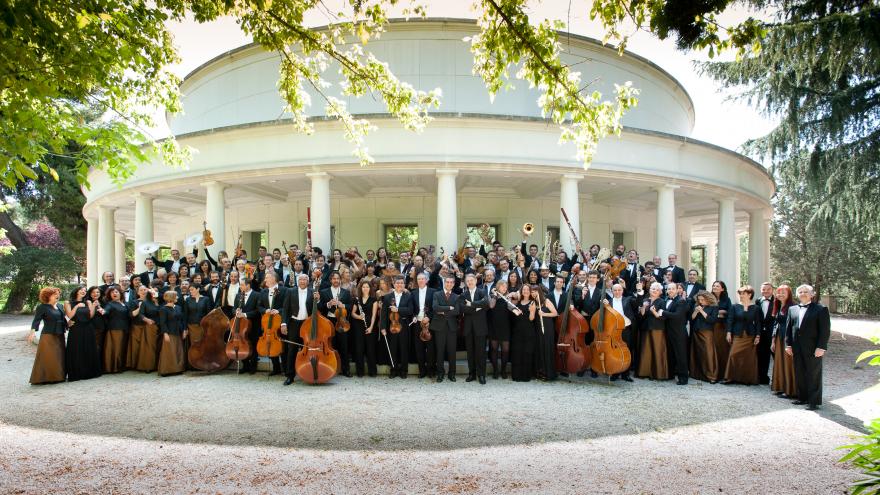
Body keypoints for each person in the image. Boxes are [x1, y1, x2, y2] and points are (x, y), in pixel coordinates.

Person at [785, 284, 830, 411]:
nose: (803, 294)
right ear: (797, 294)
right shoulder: (792, 309)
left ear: (812, 294)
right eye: (800, 292)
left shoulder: (821, 309)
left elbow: (825, 331)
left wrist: (821, 347)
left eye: (806, 291)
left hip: (813, 348)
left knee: (813, 374)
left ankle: (813, 401)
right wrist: (788, 344)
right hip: (796, 347)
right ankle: (802, 397)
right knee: (799, 372)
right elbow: (789, 328)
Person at [280, 273, 315, 385]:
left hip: (308, 323)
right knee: (292, 350)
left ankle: (308, 372)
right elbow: (285, 308)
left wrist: (317, 300)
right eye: (300, 279)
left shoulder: (313, 292)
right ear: (297, 281)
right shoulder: (290, 291)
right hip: (294, 323)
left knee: (309, 349)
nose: (302, 281)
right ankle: (290, 375)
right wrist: (283, 323)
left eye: (305, 279)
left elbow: (319, 307)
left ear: (308, 281)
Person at [723, 285, 761, 385]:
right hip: (737, 334)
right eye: (740, 293)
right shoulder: (734, 306)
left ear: (750, 295)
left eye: (743, 293)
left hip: (750, 336)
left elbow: (758, 323)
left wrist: (758, 335)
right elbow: (730, 320)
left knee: (749, 358)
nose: (741, 295)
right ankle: (730, 378)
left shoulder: (756, 308)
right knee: (733, 355)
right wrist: (728, 332)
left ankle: (747, 379)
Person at [653, 282, 689, 385]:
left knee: (681, 355)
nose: (670, 290)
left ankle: (683, 378)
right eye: (669, 289)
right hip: (668, 331)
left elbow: (677, 315)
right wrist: (657, 313)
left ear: (678, 290)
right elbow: (664, 317)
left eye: (673, 289)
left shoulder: (681, 301)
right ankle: (672, 374)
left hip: (679, 332)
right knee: (671, 354)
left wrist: (662, 312)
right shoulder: (665, 300)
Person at [29, 287, 66, 384]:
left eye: (58, 294)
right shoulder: (42, 307)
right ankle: (44, 378)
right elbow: (36, 320)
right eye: (55, 294)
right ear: (47, 296)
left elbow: (63, 319)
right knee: (48, 356)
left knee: (59, 356)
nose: (57, 296)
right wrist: (32, 332)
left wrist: (69, 324)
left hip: (60, 334)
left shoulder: (60, 306)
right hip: (48, 336)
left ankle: (58, 377)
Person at [65, 286, 102, 381]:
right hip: (76, 329)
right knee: (76, 350)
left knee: (88, 349)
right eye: (81, 290)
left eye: (85, 291)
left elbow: (90, 316)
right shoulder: (68, 302)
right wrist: (77, 306)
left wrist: (93, 306)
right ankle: (77, 373)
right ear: (76, 291)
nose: (83, 291)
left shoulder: (88, 302)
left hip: (88, 328)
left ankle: (89, 373)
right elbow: (70, 315)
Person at [320, 272, 353, 377]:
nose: (336, 280)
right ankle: (331, 368)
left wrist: (342, 305)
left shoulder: (346, 292)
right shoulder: (324, 292)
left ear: (340, 280)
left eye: (337, 278)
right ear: (330, 280)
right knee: (331, 345)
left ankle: (345, 370)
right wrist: (328, 304)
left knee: (344, 346)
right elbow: (320, 307)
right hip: (329, 321)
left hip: (342, 322)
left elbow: (350, 306)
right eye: (334, 278)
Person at [381, 276, 413, 378]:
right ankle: (393, 370)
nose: (399, 285)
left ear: (404, 285)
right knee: (393, 348)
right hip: (391, 326)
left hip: (403, 325)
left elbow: (410, 310)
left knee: (404, 349)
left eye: (401, 283)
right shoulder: (387, 297)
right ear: (394, 285)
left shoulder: (408, 296)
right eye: (397, 283)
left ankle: (404, 370)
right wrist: (382, 327)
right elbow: (384, 314)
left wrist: (398, 309)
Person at [460, 273, 489, 384]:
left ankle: (481, 374)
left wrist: (471, 304)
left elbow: (486, 303)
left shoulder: (482, 292)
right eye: (468, 281)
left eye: (472, 280)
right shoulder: (464, 294)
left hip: (480, 327)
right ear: (466, 283)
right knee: (470, 352)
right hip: (468, 328)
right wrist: (477, 307)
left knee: (481, 352)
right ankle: (471, 373)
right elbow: (462, 309)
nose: (470, 282)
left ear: (476, 281)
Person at [636, 282, 668, 380]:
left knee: (657, 350)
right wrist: (643, 309)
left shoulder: (662, 301)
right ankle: (644, 372)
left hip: (657, 329)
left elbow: (663, 317)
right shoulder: (645, 300)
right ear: (649, 290)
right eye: (653, 289)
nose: (654, 291)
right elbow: (640, 316)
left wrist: (654, 312)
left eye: (657, 289)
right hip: (645, 328)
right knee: (646, 350)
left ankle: (658, 373)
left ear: (660, 292)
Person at [770, 285, 797, 399]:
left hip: (788, 339)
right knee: (779, 363)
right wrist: (773, 341)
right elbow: (776, 324)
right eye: (779, 292)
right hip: (779, 338)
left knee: (788, 364)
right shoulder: (778, 305)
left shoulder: (793, 306)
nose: (780, 294)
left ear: (789, 294)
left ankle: (790, 390)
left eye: (783, 292)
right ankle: (780, 387)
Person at [257, 273, 286, 376]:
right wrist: (265, 310)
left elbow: (288, 306)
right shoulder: (264, 291)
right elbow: (259, 306)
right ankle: (276, 368)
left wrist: (278, 311)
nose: (265, 280)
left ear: (274, 279)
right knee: (270, 343)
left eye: (267, 278)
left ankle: (286, 369)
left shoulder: (284, 290)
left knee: (283, 346)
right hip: (268, 323)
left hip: (281, 322)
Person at [432, 275, 460, 382]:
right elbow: (435, 307)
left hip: (452, 327)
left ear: (453, 284)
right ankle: (440, 373)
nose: (449, 284)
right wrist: (449, 308)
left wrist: (442, 311)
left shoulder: (456, 296)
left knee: (452, 351)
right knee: (440, 351)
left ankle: (452, 373)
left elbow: (457, 311)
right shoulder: (436, 294)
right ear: (444, 282)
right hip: (439, 327)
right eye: (447, 282)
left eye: (451, 282)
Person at [688, 290, 719, 383]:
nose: (701, 301)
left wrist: (701, 311)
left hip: (706, 332)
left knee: (708, 354)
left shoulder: (714, 307)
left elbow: (712, 320)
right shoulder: (696, 306)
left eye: (702, 299)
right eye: (699, 299)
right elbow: (691, 319)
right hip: (696, 331)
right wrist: (696, 312)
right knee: (696, 353)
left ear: (708, 299)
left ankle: (711, 375)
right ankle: (697, 374)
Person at [409, 272, 435, 379]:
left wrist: (429, 317)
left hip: (429, 323)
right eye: (418, 279)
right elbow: (411, 308)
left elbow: (435, 308)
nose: (420, 281)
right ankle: (422, 371)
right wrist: (413, 316)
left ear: (427, 280)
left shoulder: (433, 292)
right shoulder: (413, 292)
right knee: (419, 348)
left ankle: (431, 370)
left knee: (430, 348)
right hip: (417, 323)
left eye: (422, 279)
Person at [351, 280, 379, 377]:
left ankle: (372, 372)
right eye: (363, 287)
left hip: (370, 326)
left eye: (367, 287)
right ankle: (360, 372)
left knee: (370, 349)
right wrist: (359, 317)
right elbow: (353, 313)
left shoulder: (374, 300)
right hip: (359, 326)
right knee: (359, 349)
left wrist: (371, 327)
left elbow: (374, 316)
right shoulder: (357, 299)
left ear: (370, 288)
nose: (365, 289)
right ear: (361, 288)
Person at [130, 285, 161, 372]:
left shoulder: (156, 301)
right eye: (141, 290)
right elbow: (140, 314)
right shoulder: (142, 303)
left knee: (157, 346)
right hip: (147, 326)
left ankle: (156, 365)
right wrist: (147, 320)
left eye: (145, 290)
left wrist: (156, 302)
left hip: (158, 327)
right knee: (147, 347)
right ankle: (146, 366)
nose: (144, 291)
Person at [509, 284, 536, 382]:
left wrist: (532, 311)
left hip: (528, 331)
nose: (525, 291)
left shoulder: (532, 303)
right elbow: (513, 316)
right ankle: (516, 375)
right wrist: (515, 311)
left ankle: (525, 376)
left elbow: (531, 319)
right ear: (521, 291)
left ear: (530, 291)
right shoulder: (517, 302)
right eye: (523, 290)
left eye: (527, 290)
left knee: (527, 353)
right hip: (517, 331)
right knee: (517, 352)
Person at [533, 284, 558, 381]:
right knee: (540, 349)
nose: (533, 293)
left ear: (539, 291)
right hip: (538, 328)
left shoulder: (546, 301)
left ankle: (549, 373)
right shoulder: (534, 302)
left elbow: (555, 313)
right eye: (532, 291)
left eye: (535, 291)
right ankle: (541, 371)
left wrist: (544, 314)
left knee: (547, 349)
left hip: (547, 327)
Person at [157, 291, 186, 376]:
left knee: (178, 350)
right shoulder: (163, 309)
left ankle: (178, 369)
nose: (177, 298)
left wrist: (184, 330)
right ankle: (167, 370)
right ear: (171, 297)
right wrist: (165, 333)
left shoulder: (178, 307)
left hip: (178, 332)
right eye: (176, 296)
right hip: (170, 332)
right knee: (169, 351)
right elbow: (163, 322)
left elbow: (181, 319)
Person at [488, 279, 512, 379]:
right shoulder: (493, 296)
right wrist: (494, 295)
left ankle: (503, 370)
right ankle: (495, 371)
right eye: (502, 286)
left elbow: (510, 308)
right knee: (494, 349)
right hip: (494, 326)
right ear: (498, 287)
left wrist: (509, 299)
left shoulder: (508, 297)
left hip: (505, 326)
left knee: (505, 350)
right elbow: (491, 306)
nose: (504, 288)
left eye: (506, 287)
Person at [102, 286, 130, 373]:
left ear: (120, 293)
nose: (114, 293)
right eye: (112, 292)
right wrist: (102, 311)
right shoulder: (110, 304)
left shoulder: (124, 304)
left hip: (125, 328)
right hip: (115, 329)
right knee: (116, 348)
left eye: (116, 292)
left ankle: (121, 365)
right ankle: (114, 367)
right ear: (109, 295)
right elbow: (106, 311)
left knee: (122, 348)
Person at [183, 283, 211, 370]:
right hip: (191, 326)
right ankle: (194, 365)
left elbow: (208, 314)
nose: (190, 291)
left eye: (192, 289)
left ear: (198, 289)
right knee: (194, 346)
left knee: (204, 345)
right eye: (190, 290)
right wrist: (185, 328)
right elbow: (185, 315)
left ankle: (204, 364)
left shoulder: (206, 299)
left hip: (203, 327)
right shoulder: (187, 300)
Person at [755, 282, 775, 385]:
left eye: (768, 289)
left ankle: (778, 380)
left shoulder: (777, 301)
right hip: (761, 334)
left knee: (776, 357)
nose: (766, 291)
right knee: (762, 356)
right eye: (763, 289)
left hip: (773, 334)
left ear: (772, 290)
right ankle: (763, 378)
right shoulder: (758, 301)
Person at [711, 281, 732, 378]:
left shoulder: (727, 300)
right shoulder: (709, 298)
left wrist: (724, 312)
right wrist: (720, 311)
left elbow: (730, 313)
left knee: (722, 349)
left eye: (717, 286)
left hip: (722, 327)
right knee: (712, 348)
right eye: (714, 286)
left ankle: (723, 373)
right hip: (711, 327)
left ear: (722, 289)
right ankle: (713, 372)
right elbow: (707, 311)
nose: (715, 287)